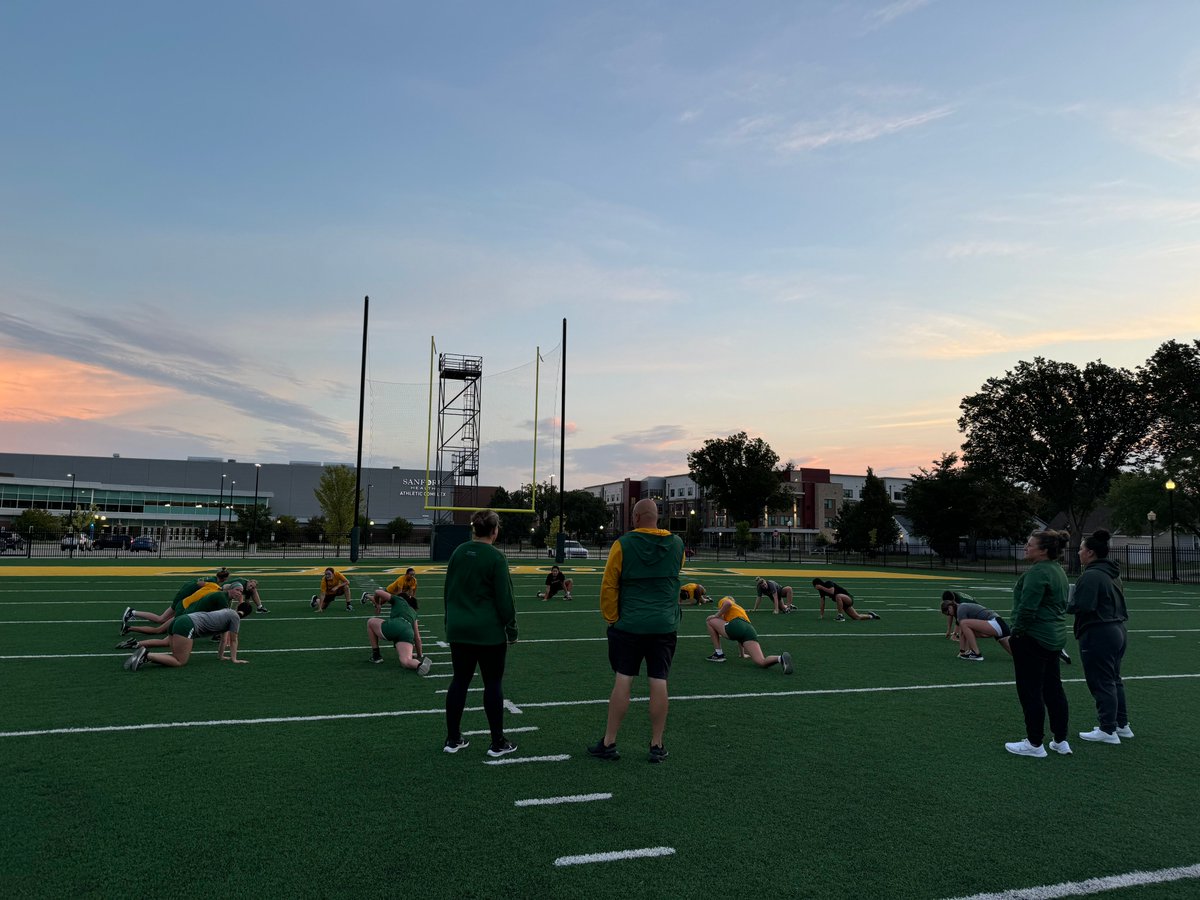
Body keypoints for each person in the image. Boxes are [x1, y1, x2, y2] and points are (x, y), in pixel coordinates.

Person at [588, 498, 684, 764]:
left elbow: (609, 585)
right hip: (663, 624)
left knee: (623, 679)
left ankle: (609, 741)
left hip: (629, 624)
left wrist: (612, 617)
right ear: (657, 517)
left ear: (636, 517)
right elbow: (675, 571)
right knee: (659, 680)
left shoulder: (623, 544)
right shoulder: (677, 544)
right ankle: (657, 744)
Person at [442, 510, 519, 758]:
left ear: (474, 529)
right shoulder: (496, 557)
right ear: (495, 531)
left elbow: (448, 592)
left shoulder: (457, 552)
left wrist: (450, 621)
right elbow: (505, 599)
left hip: (459, 628)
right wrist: (511, 627)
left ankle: (453, 738)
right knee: (493, 683)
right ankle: (497, 742)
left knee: (460, 680)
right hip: (488, 632)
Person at [1005, 530, 1072, 758]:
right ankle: (1060, 740)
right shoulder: (1058, 571)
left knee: (1030, 691)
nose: (1025, 547)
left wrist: (1016, 634)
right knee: (1053, 689)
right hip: (1053, 637)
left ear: (1043, 550)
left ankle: (1034, 743)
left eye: (1030, 544)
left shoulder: (1038, 572)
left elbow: (1027, 609)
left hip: (1033, 637)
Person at [1068, 529, 1133, 745]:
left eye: (1081, 549)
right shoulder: (1111, 573)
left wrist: (1063, 603)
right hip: (1117, 629)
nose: (1078, 553)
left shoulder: (1092, 575)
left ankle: (1107, 729)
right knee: (1114, 679)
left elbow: (1084, 605)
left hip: (1099, 631)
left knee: (1102, 681)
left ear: (1091, 553)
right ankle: (1121, 724)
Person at [123, 601, 253, 670]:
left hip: (180, 619)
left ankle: (144, 657)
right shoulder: (235, 617)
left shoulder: (228, 612)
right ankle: (146, 655)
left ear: (237, 606)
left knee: (174, 654)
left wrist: (221, 656)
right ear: (247, 616)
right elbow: (233, 640)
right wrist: (234, 659)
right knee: (179, 661)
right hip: (187, 624)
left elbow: (224, 639)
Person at [121, 568, 230, 631]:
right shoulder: (213, 584)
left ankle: (133, 613)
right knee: (161, 620)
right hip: (183, 600)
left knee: (163, 620)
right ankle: (133, 612)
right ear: (224, 579)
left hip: (183, 596)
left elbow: (193, 584)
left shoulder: (210, 579)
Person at [705, 596, 793, 674]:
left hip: (737, 624)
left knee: (709, 620)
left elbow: (728, 603)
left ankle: (718, 654)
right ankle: (780, 658)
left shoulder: (727, 600)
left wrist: (716, 615)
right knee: (761, 661)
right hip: (750, 629)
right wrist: (742, 654)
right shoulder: (740, 610)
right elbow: (740, 635)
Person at [367, 592, 432, 674]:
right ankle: (420, 665)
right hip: (408, 632)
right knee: (405, 661)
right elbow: (417, 637)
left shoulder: (399, 599)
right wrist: (419, 655)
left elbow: (377, 592)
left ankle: (376, 656)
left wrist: (377, 603)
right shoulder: (413, 613)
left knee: (370, 622)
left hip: (396, 625)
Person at [941, 590, 1012, 661]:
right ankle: (971, 651)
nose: (950, 615)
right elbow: (964, 633)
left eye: (948, 613)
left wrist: (962, 651)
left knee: (964, 623)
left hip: (996, 623)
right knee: (1016, 654)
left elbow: (962, 630)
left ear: (950, 607)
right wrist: (962, 651)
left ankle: (976, 653)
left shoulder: (961, 609)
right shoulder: (960, 608)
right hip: (997, 626)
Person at [812, 579, 880, 621]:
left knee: (837, 595)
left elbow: (832, 591)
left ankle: (840, 616)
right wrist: (821, 615)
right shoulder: (821, 591)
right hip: (843, 603)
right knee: (857, 617)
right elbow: (822, 603)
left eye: (815, 586)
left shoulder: (828, 583)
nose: (815, 588)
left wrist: (822, 587)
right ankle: (872, 616)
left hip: (848, 598)